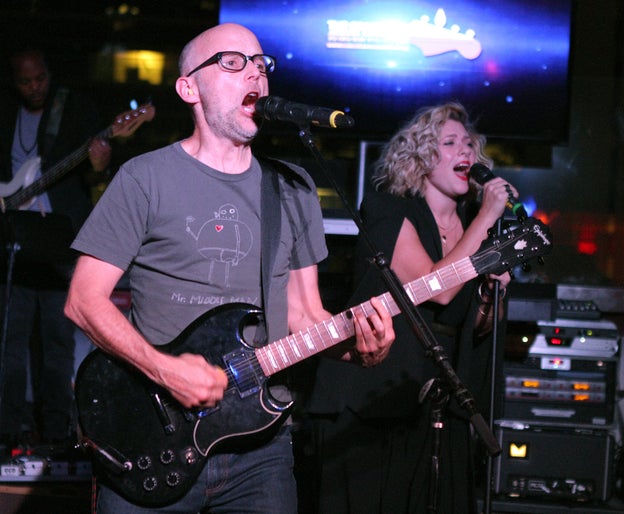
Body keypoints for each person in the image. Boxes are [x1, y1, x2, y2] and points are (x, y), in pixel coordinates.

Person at [63, 22, 394, 513]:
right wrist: (166, 370)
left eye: (261, 64)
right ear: (188, 88)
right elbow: (82, 301)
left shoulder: (293, 187)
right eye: (233, 62)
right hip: (154, 434)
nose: (255, 74)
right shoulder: (145, 177)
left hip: (260, 449)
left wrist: (359, 347)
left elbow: (304, 316)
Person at [304, 102, 516, 513]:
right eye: (450, 143)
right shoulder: (388, 209)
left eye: (469, 144)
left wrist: (492, 294)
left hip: (441, 398)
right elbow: (435, 289)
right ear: (420, 158)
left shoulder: (475, 227)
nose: (465, 152)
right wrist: (488, 215)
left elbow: (477, 325)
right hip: (375, 398)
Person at [0, 47, 112, 451]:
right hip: (13, 235)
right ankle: (9, 427)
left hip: (59, 238)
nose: (34, 87)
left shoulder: (73, 107)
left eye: (40, 79)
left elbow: (101, 167)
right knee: (11, 341)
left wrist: (100, 160)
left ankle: (56, 432)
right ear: (14, 81)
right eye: (25, 81)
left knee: (57, 339)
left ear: (50, 72)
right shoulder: (6, 111)